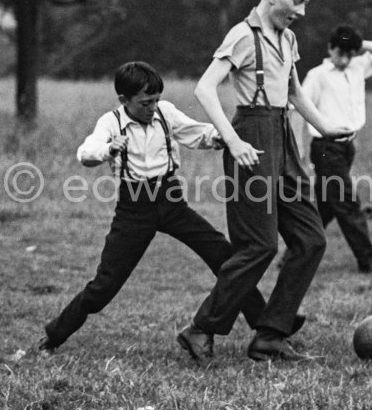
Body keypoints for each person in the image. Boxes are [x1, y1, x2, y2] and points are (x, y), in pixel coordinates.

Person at [177, 0, 354, 364]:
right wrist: (232, 139)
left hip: (284, 139)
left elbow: (294, 94)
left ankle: (270, 335)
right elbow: (205, 90)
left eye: (306, 4)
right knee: (258, 245)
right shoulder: (242, 35)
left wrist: (325, 127)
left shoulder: (288, 39)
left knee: (311, 239)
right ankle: (200, 329)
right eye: (297, 1)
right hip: (251, 137)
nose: (301, 11)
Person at [28, 61, 267, 360]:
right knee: (105, 285)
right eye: (145, 102)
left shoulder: (165, 113)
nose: (152, 107)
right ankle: (52, 337)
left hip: (171, 201)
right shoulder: (110, 123)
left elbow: (196, 133)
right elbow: (86, 153)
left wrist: (223, 137)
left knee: (224, 255)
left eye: (155, 100)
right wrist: (108, 150)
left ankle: (267, 327)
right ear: (124, 100)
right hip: (134, 208)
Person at [302, 24, 372, 273]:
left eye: (348, 54)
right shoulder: (317, 75)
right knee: (348, 203)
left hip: (346, 147)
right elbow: (299, 109)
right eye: (339, 52)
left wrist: (356, 42)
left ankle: (295, 253)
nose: (343, 59)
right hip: (325, 147)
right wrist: (300, 150)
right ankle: (369, 259)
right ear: (330, 49)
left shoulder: (357, 67)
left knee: (326, 206)